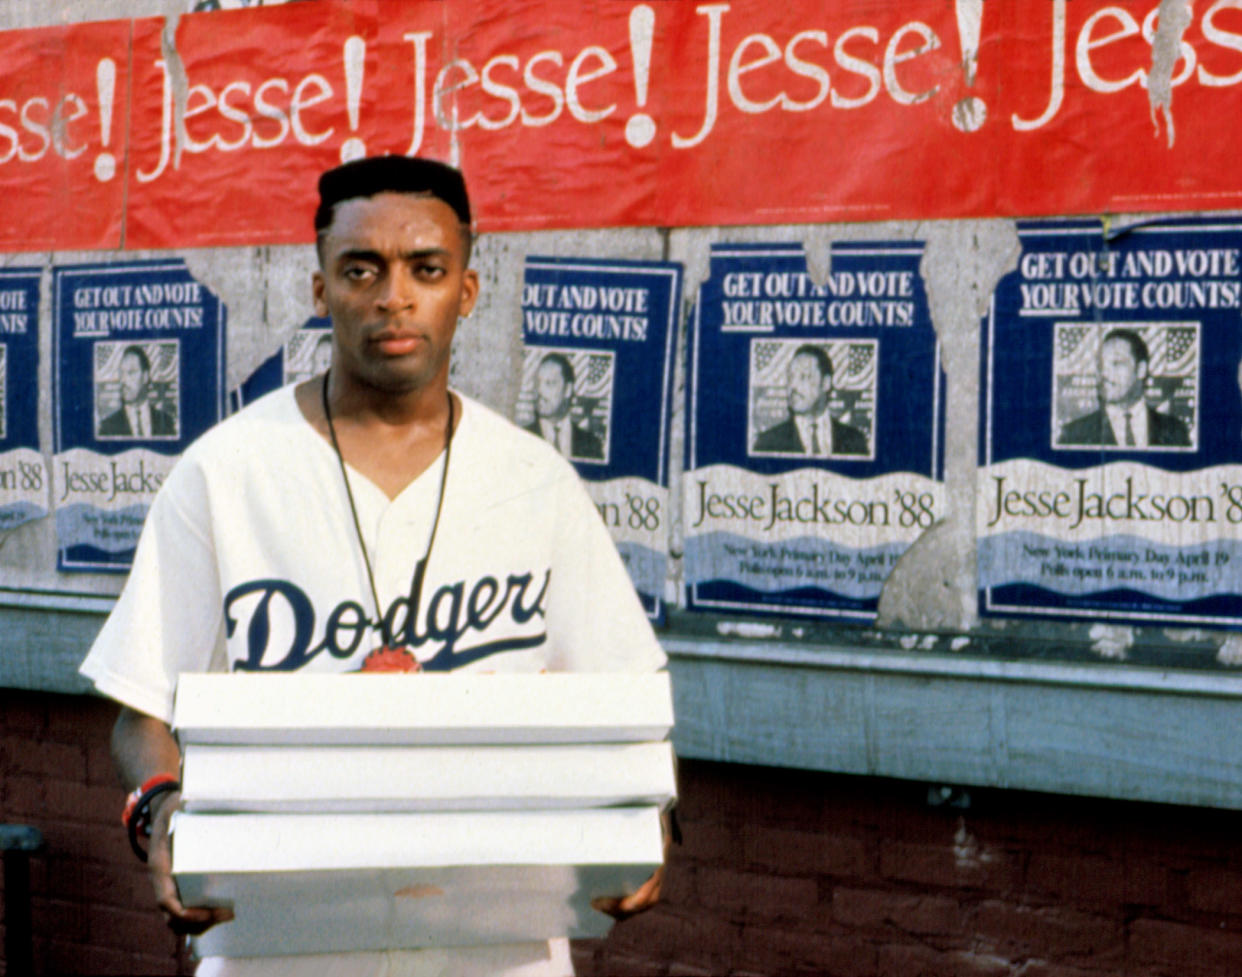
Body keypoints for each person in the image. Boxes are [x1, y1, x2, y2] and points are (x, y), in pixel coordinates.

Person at [80, 155, 666, 977]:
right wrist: (160, 807)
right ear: (320, 288)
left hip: (494, 943)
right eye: (362, 268)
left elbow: (629, 706)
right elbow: (139, 708)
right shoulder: (226, 471)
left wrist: (644, 817)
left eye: (426, 268)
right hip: (279, 944)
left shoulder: (536, 482)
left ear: (466, 288)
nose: (394, 295)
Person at [1059, 328, 1191, 448]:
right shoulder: (1074, 435)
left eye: (1116, 363)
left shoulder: (1175, 432)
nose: (1104, 374)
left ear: (1141, 370)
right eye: (1101, 366)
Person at [752, 343, 868, 456]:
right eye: (790, 377)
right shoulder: (767, 443)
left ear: (825, 383)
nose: (793, 386)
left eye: (804, 377)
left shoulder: (855, 441)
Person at [524, 352, 604, 461]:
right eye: (537, 383)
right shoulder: (523, 439)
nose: (540, 391)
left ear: (567, 390)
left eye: (549, 383)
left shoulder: (591, 444)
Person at [98, 344, 176, 438]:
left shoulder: (166, 422)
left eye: (131, 373)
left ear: (145, 377)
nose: (123, 380)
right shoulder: (108, 427)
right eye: (121, 373)